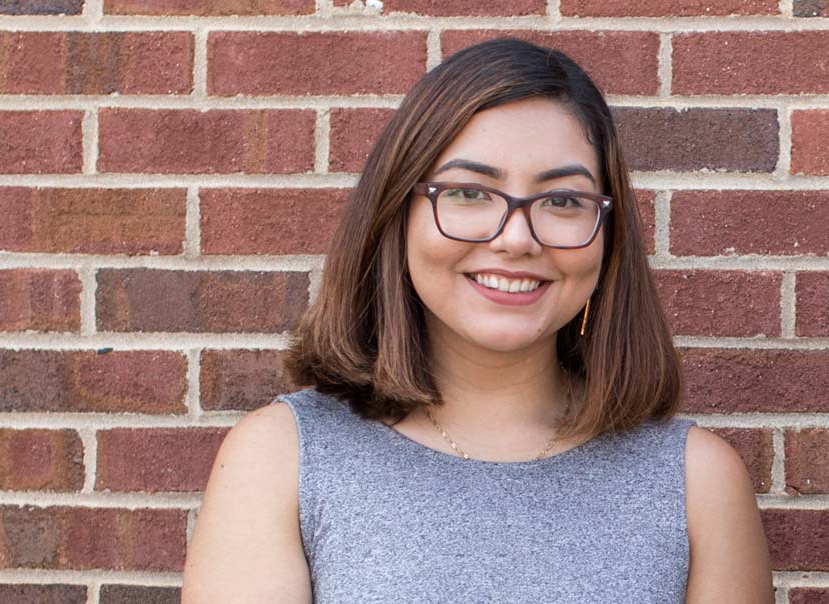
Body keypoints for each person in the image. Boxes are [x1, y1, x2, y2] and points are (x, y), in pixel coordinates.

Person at [183, 38, 772, 603]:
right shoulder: (284, 460)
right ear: (397, 213)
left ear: (607, 239)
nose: (517, 238)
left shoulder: (696, 484)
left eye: (564, 201)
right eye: (469, 193)